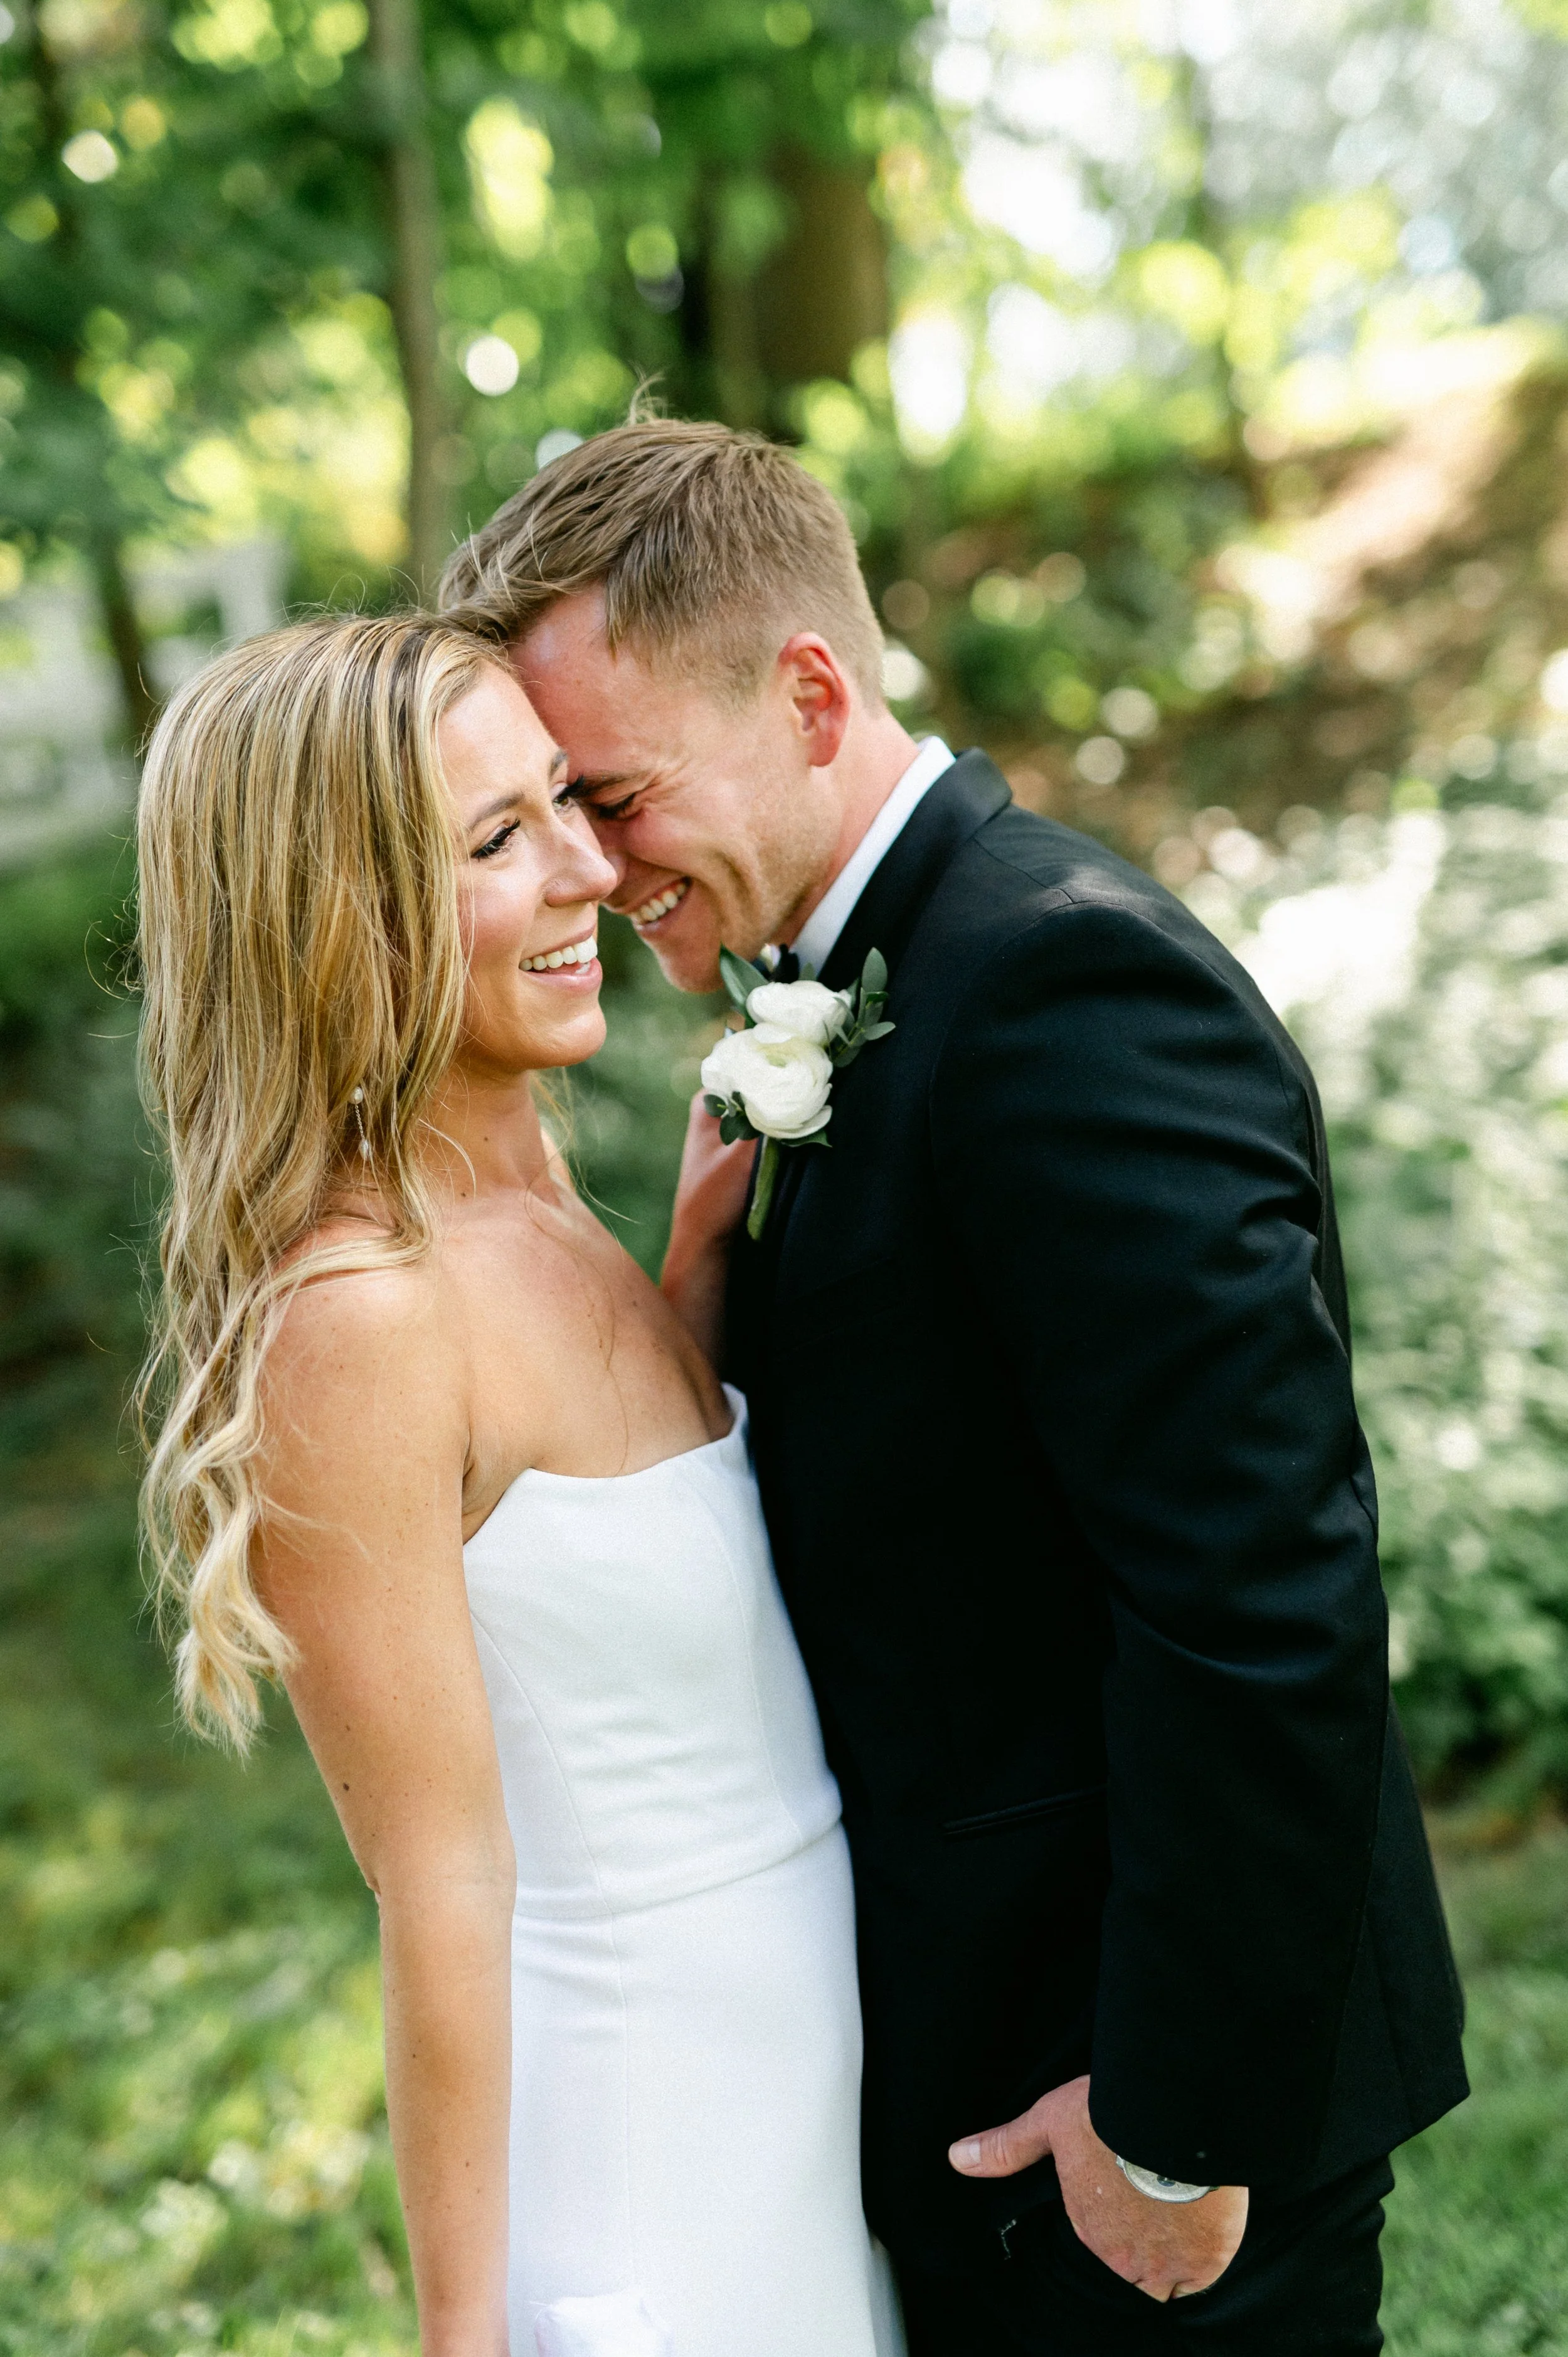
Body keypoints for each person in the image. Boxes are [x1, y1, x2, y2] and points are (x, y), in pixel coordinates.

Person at [441, 418, 1471, 2355]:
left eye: (610, 791)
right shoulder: (837, 991)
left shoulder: (1063, 987)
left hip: (1137, 2108)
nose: (583, 861)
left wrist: (1167, 2121)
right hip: (975, 2075)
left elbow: (1258, 1593)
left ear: (810, 693)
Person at [135, 614, 906, 2357]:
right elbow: (443, 1878)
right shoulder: (357, 1312)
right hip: (643, 2165)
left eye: (563, 797)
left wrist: (693, 1301)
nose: (587, 868)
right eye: (494, 840)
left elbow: (616, 1589)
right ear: (339, 915)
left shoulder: (546, 1203)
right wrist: (466, 2333)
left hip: (800, 2121)